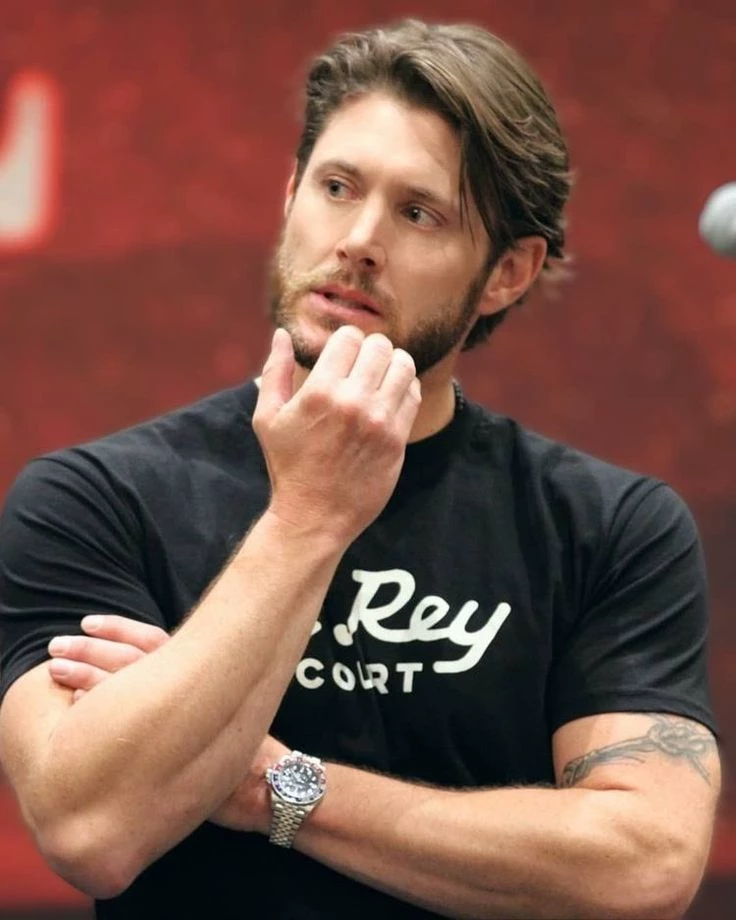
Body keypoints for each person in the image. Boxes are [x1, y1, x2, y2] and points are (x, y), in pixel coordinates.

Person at [0, 18, 720, 920]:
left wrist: (273, 785)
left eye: (420, 213)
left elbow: (646, 866)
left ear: (507, 272)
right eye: (337, 188)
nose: (359, 239)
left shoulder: (609, 526)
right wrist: (308, 517)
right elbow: (89, 831)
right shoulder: (95, 499)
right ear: (289, 194)